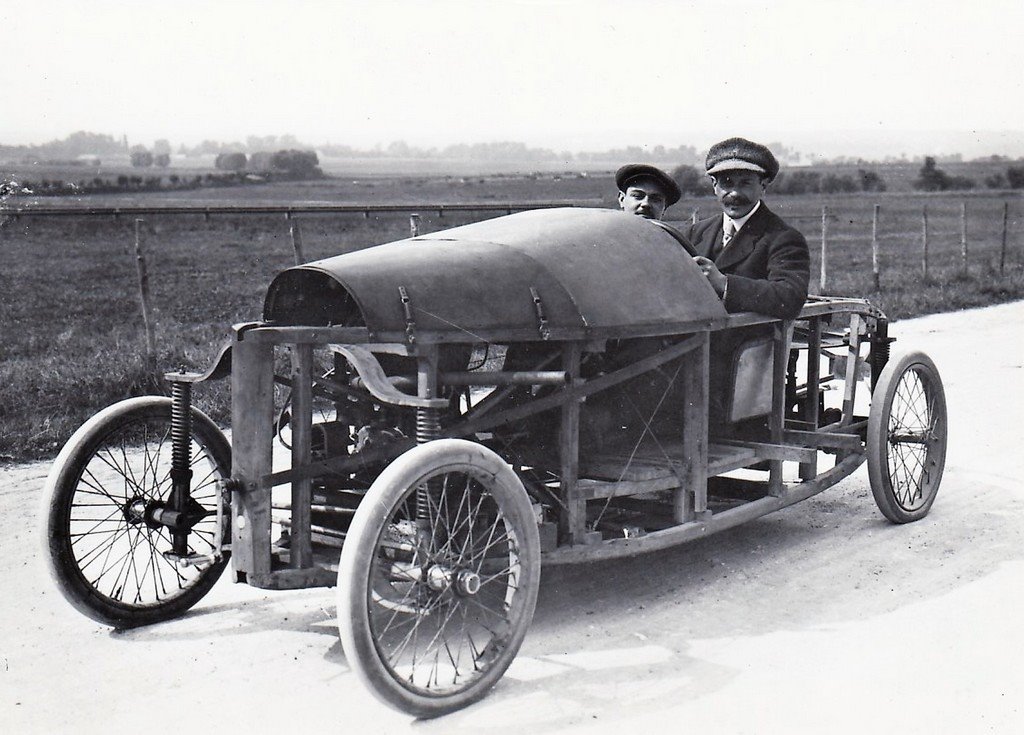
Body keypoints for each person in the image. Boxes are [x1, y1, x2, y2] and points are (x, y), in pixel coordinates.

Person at [686, 138, 809, 319]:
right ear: (714, 186)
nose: (735, 193)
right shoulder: (694, 233)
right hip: (693, 340)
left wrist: (724, 283)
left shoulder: (784, 238)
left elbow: (790, 296)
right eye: (726, 183)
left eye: (745, 183)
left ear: (763, 186)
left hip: (750, 343)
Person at [615, 163, 681, 220]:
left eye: (656, 199)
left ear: (664, 208)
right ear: (622, 199)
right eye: (638, 196)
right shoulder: (606, 232)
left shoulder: (667, 234)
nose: (646, 203)